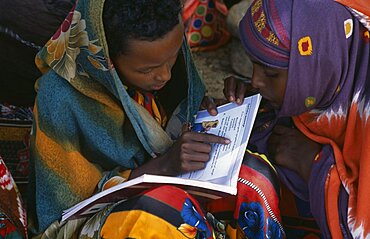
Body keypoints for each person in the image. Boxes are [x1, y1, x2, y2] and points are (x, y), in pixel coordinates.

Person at [28, 0, 285, 238]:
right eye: (147, 70)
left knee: (252, 175)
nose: (165, 76)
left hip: (172, 184)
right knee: (162, 211)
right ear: (105, 58)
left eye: (173, 56)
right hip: (98, 219)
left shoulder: (162, 66)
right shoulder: (60, 98)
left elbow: (177, 119)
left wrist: (218, 112)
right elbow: (64, 213)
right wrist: (164, 166)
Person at [218, 0, 370, 237]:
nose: (256, 80)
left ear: (318, 65)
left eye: (270, 73)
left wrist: (310, 162)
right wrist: (254, 101)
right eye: (254, 66)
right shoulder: (340, 61)